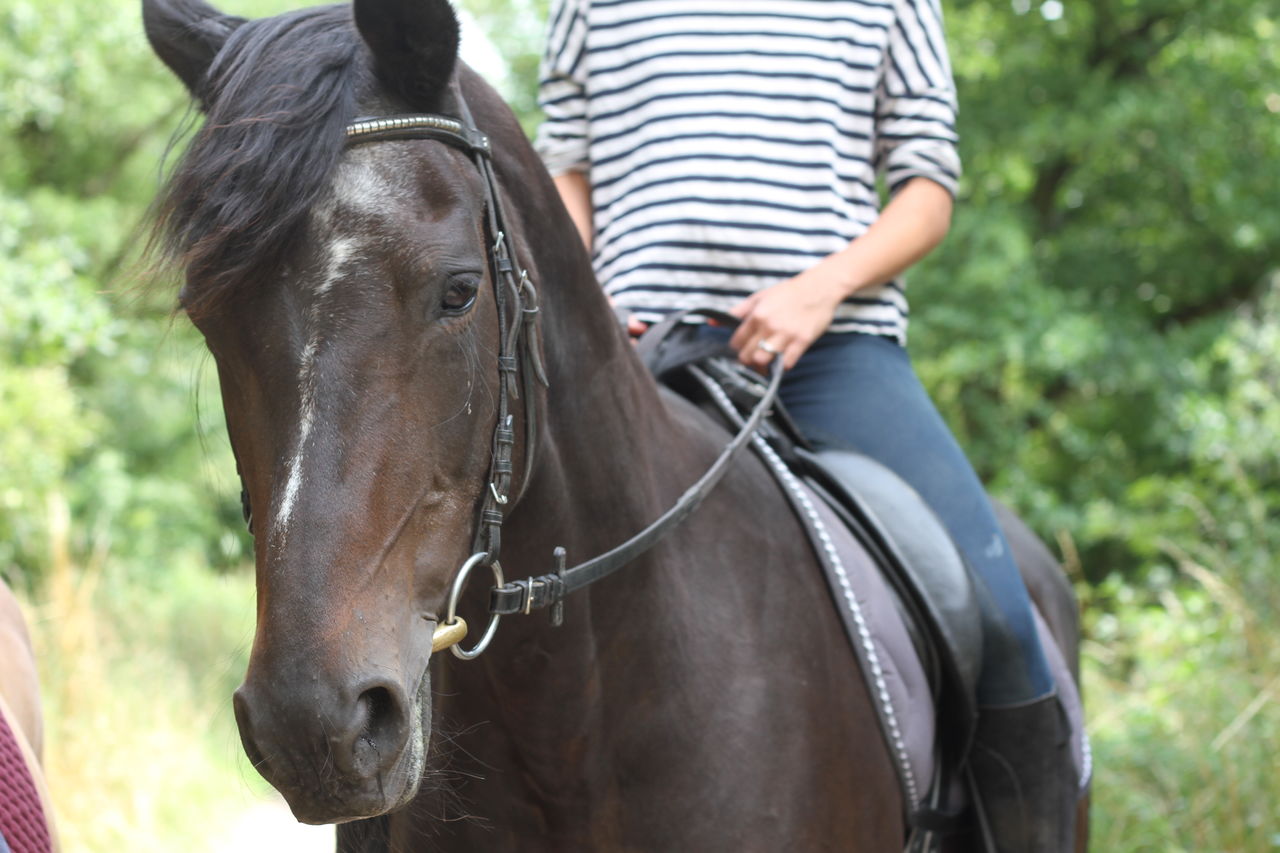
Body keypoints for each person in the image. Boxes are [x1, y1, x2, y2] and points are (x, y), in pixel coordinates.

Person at [535, 0, 1076, 849]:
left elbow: (927, 191)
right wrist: (584, 293)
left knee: (1004, 619)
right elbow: (565, 165)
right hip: (625, 352)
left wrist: (820, 288)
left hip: (835, 352)